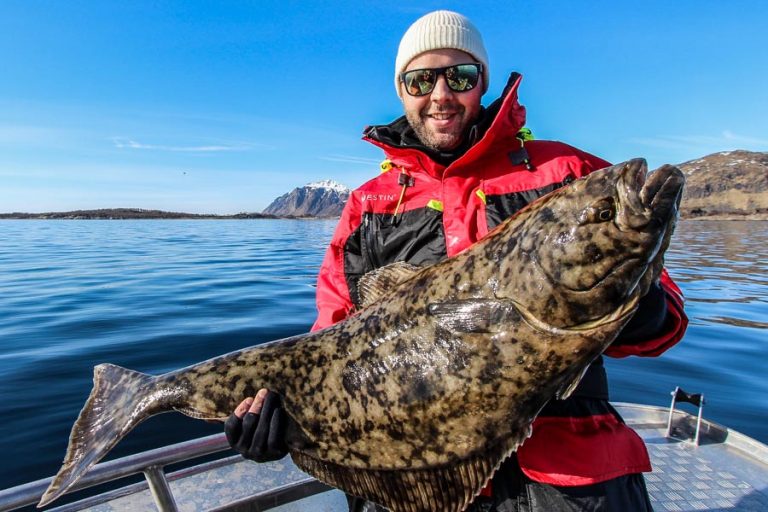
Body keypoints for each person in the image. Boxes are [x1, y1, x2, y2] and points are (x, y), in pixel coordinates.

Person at [225, 10, 688, 511]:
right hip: (409, 472)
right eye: (421, 79)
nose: (441, 95)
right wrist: (285, 418)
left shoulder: (570, 173)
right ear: (401, 90)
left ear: (482, 82)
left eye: (459, 76)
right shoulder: (369, 206)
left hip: (566, 478)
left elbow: (667, 326)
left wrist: (639, 304)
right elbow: (329, 339)